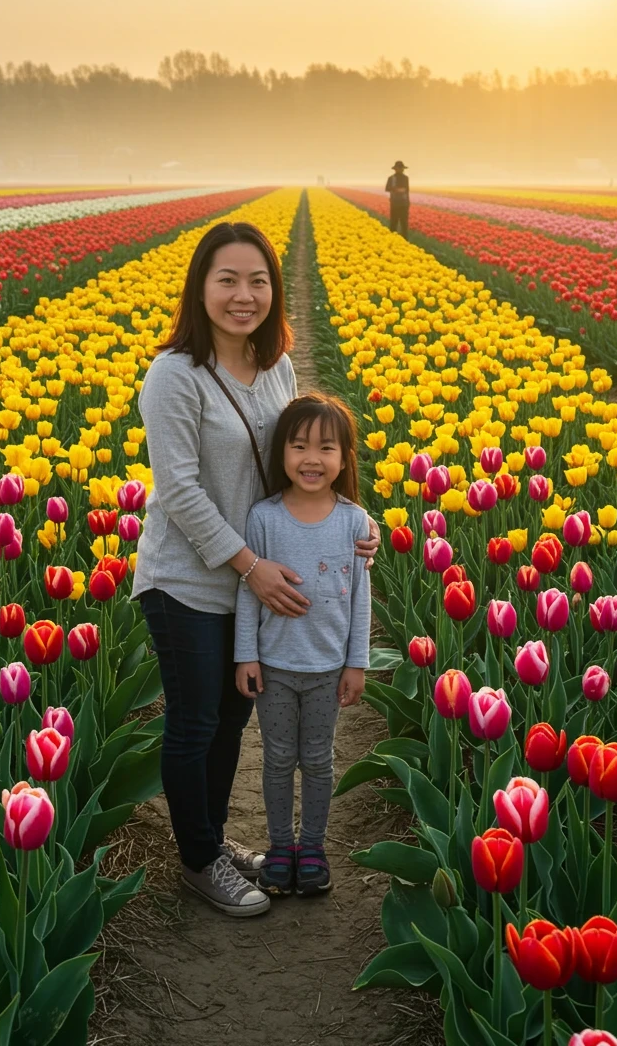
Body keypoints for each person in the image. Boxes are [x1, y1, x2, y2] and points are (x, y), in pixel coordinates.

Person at [132, 221, 380, 919]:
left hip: (259, 580)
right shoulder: (174, 376)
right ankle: (199, 860)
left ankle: (211, 841)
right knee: (196, 719)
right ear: (200, 288)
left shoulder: (275, 366)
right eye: (228, 280)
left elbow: (300, 458)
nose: (244, 296)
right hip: (189, 577)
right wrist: (249, 565)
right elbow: (178, 490)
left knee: (234, 716)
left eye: (258, 281)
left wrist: (355, 526)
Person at [234, 392, 370, 897]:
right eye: (298, 447)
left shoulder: (354, 522)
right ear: (282, 454)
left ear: (344, 457)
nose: (312, 459)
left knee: (317, 758)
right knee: (276, 758)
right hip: (273, 665)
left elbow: (360, 599)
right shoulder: (264, 518)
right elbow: (248, 594)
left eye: (326, 448)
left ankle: (312, 846)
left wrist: (356, 663)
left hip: (326, 669)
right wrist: (245, 653)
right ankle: (279, 846)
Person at [385, 160, 410, 239]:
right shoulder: (391, 178)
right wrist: (395, 189)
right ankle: (392, 239)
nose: (401, 169)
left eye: (401, 168)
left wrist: (408, 201)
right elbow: (387, 188)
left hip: (404, 203)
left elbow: (407, 190)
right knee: (394, 222)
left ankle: (404, 239)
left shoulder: (405, 178)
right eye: (399, 168)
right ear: (395, 169)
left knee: (404, 223)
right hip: (395, 203)